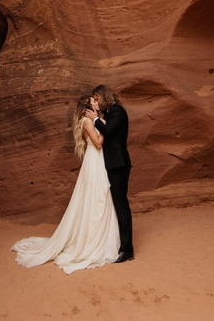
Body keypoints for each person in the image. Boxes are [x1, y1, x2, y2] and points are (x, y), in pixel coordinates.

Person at [11, 95, 120, 274]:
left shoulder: (94, 120)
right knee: (95, 197)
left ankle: (103, 238)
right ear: (88, 107)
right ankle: (89, 241)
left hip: (100, 162)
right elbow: (99, 144)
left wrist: (101, 122)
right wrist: (102, 124)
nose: (97, 103)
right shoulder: (87, 121)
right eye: (94, 101)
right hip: (94, 162)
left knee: (102, 197)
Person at [85, 85, 134, 263]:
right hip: (112, 164)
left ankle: (127, 250)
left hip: (118, 164)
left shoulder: (118, 112)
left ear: (104, 96)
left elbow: (109, 132)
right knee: (115, 204)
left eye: (97, 99)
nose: (96, 102)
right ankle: (117, 244)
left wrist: (96, 119)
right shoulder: (110, 112)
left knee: (121, 204)